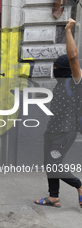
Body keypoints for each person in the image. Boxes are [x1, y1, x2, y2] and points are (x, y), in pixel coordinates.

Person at [35, 18, 82, 208]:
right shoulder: (61, 85)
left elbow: (73, 58)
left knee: (54, 164)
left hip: (65, 131)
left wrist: (68, 30)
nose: (54, 70)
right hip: (53, 130)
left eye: (56, 68)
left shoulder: (75, 83)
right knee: (49, 163)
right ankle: (53, 197)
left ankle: (79, 186)